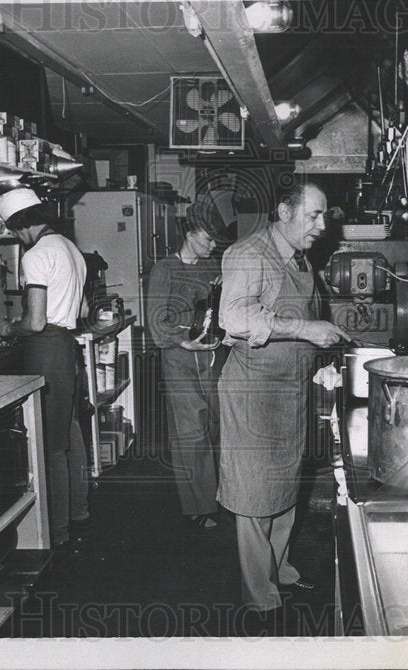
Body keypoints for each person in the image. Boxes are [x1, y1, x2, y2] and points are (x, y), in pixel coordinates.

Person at [217, 180, 350, 617]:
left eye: (325, 214)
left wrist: (321, 356)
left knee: (284, 486)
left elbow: (303, 316)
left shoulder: (301, 258)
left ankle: (280, 569)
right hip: (255, 392)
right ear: (285, 212)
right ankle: (260, 598)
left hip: (290, 389)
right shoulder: (248, 254)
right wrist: (307, 331)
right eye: (314, 215)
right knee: (254, 494)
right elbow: (233, 317)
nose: (322, 224)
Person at [0, 187, 90, 551]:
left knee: (49, 444)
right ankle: (78, 511)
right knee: (70, 433)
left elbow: (34, 322)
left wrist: (8, 328)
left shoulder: (36, 255)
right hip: (67, 348)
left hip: (47, 349)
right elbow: (79, 312)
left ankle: (58, 530)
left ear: (19, 228)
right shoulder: (70, 249)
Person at [146, 197, 224, 529]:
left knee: (217, 426)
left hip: (210, 356)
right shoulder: (165, 269)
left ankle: (222, 496)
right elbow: (155, 320)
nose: (213, 244)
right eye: (208, 238)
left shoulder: (211, 267)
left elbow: (217, 307)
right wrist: (180, 340)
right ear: (191, 234)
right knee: (190, 433)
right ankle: (198, 508)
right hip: (179, 357)